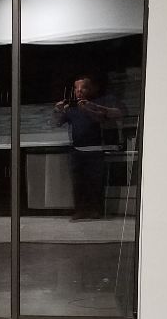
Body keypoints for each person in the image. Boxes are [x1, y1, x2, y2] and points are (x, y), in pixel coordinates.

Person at [53, 75, 125, 219]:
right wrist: (58, 110)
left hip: (96, 150)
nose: (79, 91)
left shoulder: (99, 102)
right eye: (76, 88)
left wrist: (87, 109)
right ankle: (80, 211)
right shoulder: (71, 108)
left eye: (84, 87)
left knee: (95, 182)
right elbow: (57, 123)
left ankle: (96, 210)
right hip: (77, 150)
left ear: (92, 89)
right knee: (78, 183)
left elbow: (101, 118)